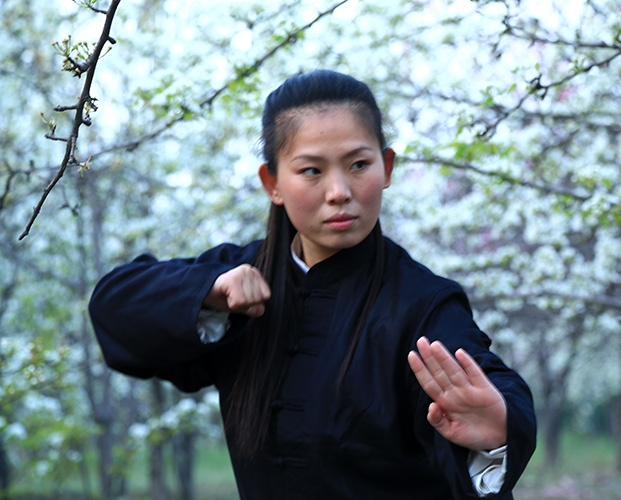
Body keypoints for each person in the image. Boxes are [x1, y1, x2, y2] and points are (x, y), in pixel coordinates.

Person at [89, 69, 536, 499]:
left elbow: (485, 379)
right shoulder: (241, 278)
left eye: (359, 164)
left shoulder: (421, 305)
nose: (339, 190)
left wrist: (499, 429)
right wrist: (208, 292)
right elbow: (115, 305)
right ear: (272, 183)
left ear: (387, 167)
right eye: (311, 171)